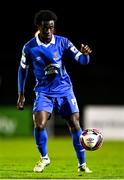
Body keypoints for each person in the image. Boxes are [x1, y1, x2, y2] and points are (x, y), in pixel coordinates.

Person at [17, 9, 92, 175]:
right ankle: (44, 157)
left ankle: (82, 164)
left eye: (51, 27)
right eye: (45, 28)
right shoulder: (29, 47)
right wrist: (21, 94)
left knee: (75, 123)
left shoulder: (63, 42)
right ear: (38, 26)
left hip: (64, 90)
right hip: (44, 91)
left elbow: (81, 60)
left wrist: (86, 56)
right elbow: (22, 70)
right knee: (39, 123)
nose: (49, 31)